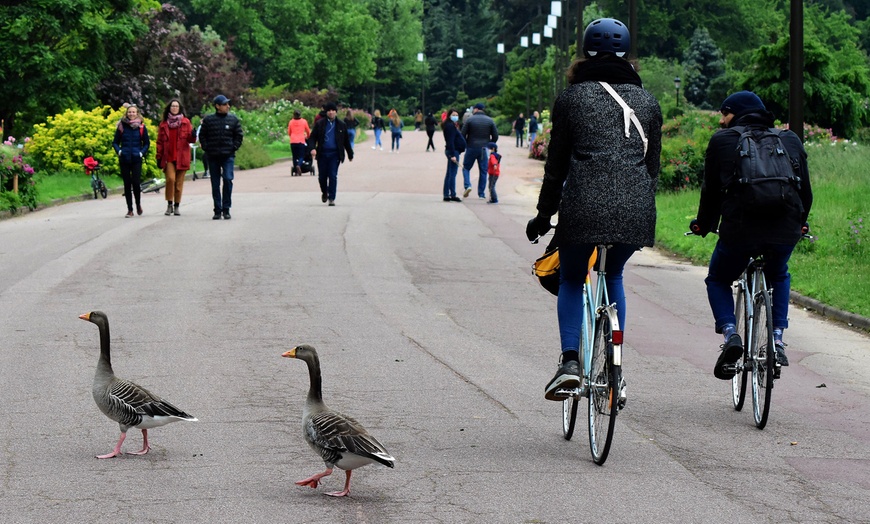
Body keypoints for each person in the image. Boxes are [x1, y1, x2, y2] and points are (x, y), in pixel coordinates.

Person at [525, 18, 662, 401]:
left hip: (583, 205)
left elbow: (556, 167)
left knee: (571, 278)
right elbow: (652, 169)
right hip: (636, 208)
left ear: (585, 52)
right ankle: (614, 367)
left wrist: (542, 216)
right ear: (627, 55)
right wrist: (635, 203)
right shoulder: (648, 102)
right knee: (612, 271)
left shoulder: (572, 98)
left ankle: (570, 362)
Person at [690, 91, 812, 379]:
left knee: (718, 278)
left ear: (738, 113)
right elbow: (804, 191)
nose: (721, 120)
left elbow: (711, 194)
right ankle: (778, 339)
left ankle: (732, 334)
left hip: (740, 230)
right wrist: (801, 223)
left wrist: (704, 225)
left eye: (725, 113)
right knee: (779, 273)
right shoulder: (790, 139)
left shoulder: (722, 141)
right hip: (785, 228)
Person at [198, 94, 243, 220]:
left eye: (228, 104)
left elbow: (239, 135)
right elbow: (202, 135)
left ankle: (226, 208)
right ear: (217, 106)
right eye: (224, 104)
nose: (227, 106)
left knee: (228, 179)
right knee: (215, 183)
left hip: (228, 155)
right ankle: (217, 209)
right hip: (213, 156)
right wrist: (207, 148)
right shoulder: (209, 120)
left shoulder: (233, 120)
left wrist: (233, 147)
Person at [309, 102, 353, 206]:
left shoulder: (341, 125)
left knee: (333, 176)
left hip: (335, 154)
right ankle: (325, 192)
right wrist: (312, 148)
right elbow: (312, 138)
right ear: (326, 112)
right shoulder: (320, 124)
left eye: (333, 110)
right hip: (323, 154)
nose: (331, 112)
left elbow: (346, 141)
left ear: (336, 112)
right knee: (322, 177)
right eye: (329, 110)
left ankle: (332, 198)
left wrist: (350, 154)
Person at [156, 99, 196, 216]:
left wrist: (193, 135)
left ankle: (177, 206)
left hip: (182, 157)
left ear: (179, 108)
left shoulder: (185, 122)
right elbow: (159, 142)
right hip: (168, 157)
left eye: (176, 106)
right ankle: (169, 204)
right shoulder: (163, 124)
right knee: (170, 179)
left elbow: (190, 140)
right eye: (172, 106)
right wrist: (158, 156)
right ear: (169, 108)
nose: (174, 108)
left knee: (178, 183)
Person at [112, 104, 150, 218]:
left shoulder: (142, 127)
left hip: (136, 158)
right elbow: (115, 142)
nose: (131, 114)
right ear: (126, 113)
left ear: (137, 113)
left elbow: (147, 143)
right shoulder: (121, 126)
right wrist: (119, 151)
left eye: (133, 112)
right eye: (129, 112)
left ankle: (138, 204)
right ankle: (130, 209)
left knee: (136, 183)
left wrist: (141, 153)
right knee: (127, 184)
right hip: (124, 158)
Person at [460, 102, 499, 199]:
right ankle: (481, 193)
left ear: (476, 109)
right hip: (484, 148)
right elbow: (495, 136)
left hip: (471, 146)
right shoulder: (490, 121)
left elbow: (462, 134)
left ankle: (467, 185)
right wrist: (490, 144)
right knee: (483, 171)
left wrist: (465, 144)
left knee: (466, 168)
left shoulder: (469, 120)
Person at [441, 108, 464, 202]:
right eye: (453, 115)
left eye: (456, 115)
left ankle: (447, 194)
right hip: (453, 151)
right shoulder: (450, 126)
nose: (455, 116)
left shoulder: (450, 125)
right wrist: (452, 154)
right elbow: (450, 141)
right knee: (452, 174)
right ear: (449, 115)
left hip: (452, 150)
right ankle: (452, 194)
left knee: (449, 173)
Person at [288, 110, 311, 176]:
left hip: (293, 141)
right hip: (301, 140)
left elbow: (289, 132)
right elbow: (308, 131)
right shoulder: (304, 121)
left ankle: (296, 169)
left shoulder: (291, 122)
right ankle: (299, 165)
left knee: (295, 156)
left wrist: (292, 136)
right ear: (300, 115)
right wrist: (308, 137)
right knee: (301, 155)